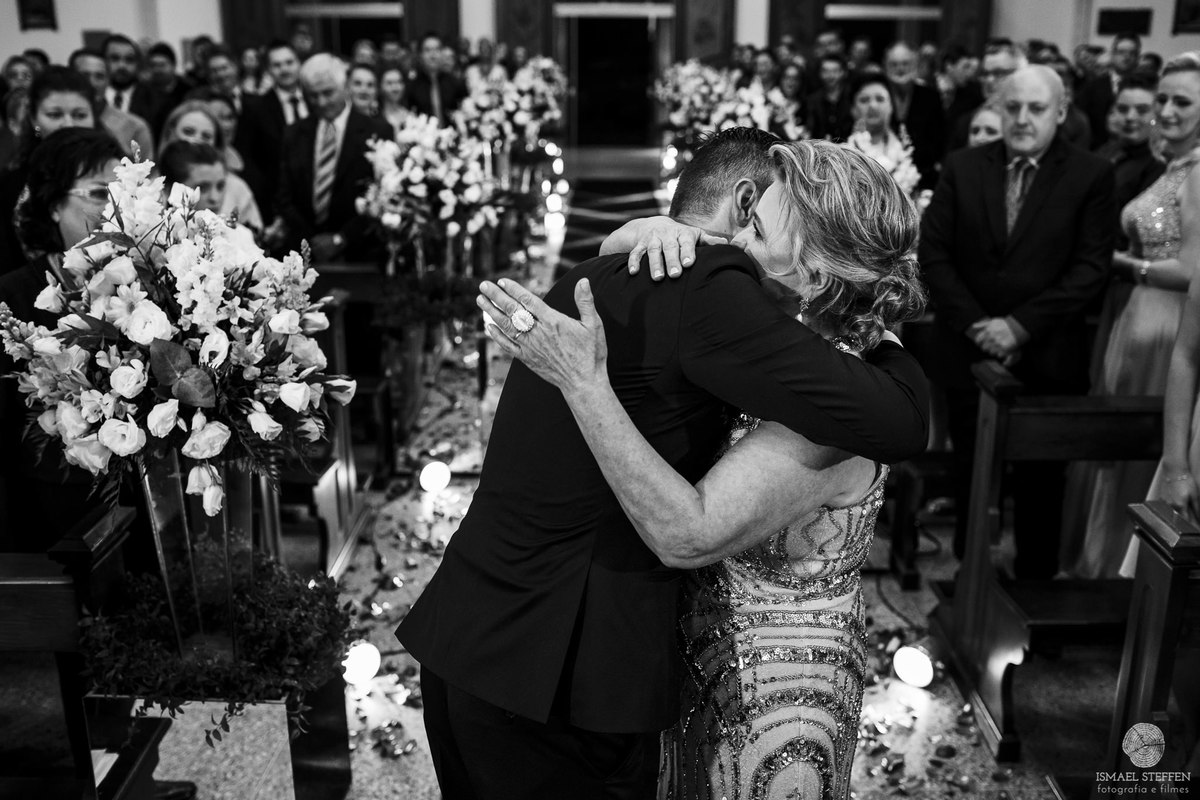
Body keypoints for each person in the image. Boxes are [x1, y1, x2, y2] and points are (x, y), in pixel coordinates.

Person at [396, 128, 931, 800]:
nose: (738, 250)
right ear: (738, 201)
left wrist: (881, 328)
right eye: (753, 221)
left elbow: (897, 422)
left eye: (766, 226)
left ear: (825, 257)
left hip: (477, 644)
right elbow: (899, 422)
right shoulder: (713, 292)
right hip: (555, 684)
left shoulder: (615, 273)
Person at [919, 65, 1116, 576]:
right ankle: (970, 578)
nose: (1023, 119)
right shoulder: (964, 166)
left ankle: (1035, 587)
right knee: (971, 474)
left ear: (1061, 112)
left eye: (1037, 108)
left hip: (1047, 355)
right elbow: (934, 253)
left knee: (1041, 485)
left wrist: (1020, 326)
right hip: (968, 351)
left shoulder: (1090, 174)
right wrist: (980, 325)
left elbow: (1091, 267)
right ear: (999, 108)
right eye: (1013, 107)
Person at [1065, 53, 1200, 578]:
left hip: (1167, 322)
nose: (1165, 110)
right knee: (1117, 451)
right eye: (1162, 99)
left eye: (1181, 101)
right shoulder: (1176, 167)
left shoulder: (1196, 176)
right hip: (1139, 316)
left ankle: (1118, 571)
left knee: (1138, 451)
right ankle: (1099, 564)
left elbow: (1192, 269)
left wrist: (1121, 263)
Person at [0, 128, 123, 551]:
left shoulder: (143, 287)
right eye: (98, 193)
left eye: (122, 192)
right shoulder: (12, 295)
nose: (114, 208)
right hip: (49, 503)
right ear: (54, 205)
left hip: (136, 494)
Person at [274, 53, 391, 261]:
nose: (321, 102)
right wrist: (310, 241)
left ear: (344, 87)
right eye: (313, 95)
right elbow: (284, 196)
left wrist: (341, 239)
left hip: (360, 252)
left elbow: (383, 195)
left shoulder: (378, 131)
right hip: (304, 252)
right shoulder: (294, 133)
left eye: (328, 93)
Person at [0, 67, 98, 272]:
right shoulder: (11, 185)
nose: (68, 124)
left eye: (80, 115)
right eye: (54, 115)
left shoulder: (118, 173)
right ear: (34, 119)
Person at [157, 100, 263, 232]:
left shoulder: (237, 188)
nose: (196, 140)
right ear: (170, 134)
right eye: (188, 132)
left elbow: (255, 236)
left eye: (206, 136)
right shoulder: (148, 188)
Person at [70, 48, 154, 158]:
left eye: (99, 76)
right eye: (84, 76)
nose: (92, 83)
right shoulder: (60, 121)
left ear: (108, 81)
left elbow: (149, 173)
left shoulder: (135, 127)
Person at [884, 42, 945, 188]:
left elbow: (940, 137)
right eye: (894, 64)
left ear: (915, 65)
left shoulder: (930, 96)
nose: (900, 69)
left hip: (922, 175)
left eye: (905, 63)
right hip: (884, 173)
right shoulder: (879, 95)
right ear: (886, 67)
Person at [1078, 32, 1143, 148]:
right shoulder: (1093, 86)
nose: (1126, 57)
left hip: (1134, 148)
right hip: (1097, 148)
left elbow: (1153, 121)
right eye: (1121, 52)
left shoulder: (1144, 86)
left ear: (1138, 57)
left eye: (1132, 53)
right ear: (1112, 54)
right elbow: (1082, 119)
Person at [408, 32, 467, 124]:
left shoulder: (456, 83)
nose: (433, 55)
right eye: (427, 50)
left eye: (437, 49)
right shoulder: (412, 87)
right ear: (420, 55)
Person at [806, 53, 853, 142]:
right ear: (819, 73)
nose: (830, 76)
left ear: (844, 72)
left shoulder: (853, 97)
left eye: (835, 71)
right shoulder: (812, 100)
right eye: (825, 71)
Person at [379, 66, 410, 134]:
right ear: (380, 86)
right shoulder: (374, 114)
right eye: (389, 83)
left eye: (399, 82)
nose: (395, 88)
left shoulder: (408, 115)